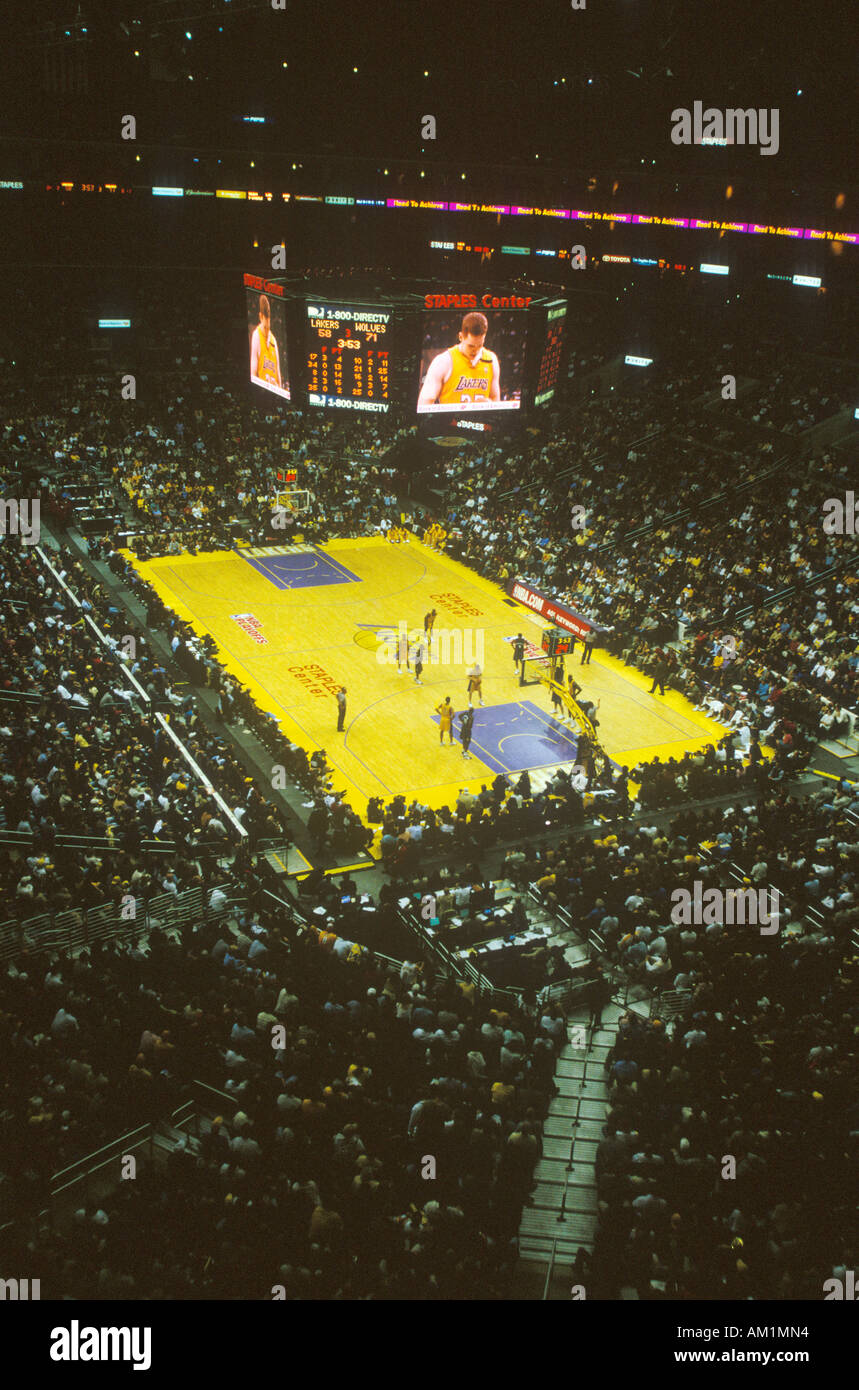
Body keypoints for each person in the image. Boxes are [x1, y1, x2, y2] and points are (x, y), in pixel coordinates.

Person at [417, 312, 501, 409]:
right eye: (471, 346)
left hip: (481, 422)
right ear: (461, 337)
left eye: (480, 345)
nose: (476, 350)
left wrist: (491, 404)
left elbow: (496, 399)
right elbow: (424, 403)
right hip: (450, 422)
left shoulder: (491, 360)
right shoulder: (443, 361)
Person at [249, 294, 284, 392]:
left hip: (274, 389)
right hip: (262, 390)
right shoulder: (256, 335)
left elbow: (277, 371)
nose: (267, 330)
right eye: (265, 328)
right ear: (260, 316)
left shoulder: (273, 340)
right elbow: (253, 371)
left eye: (268, 328)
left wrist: (280, 391)